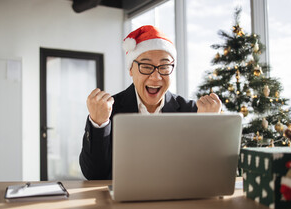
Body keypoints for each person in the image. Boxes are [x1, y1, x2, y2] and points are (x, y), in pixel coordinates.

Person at [79, 25, 222, 180]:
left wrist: (208, 126)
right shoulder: (108, 110)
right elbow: (94, 174)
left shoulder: (193, 111)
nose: (156, 77)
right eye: (146, 66)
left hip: (177, 198)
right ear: (131, 70)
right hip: (124, 200)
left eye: (164, 67)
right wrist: (99, 124)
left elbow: (207, 173)